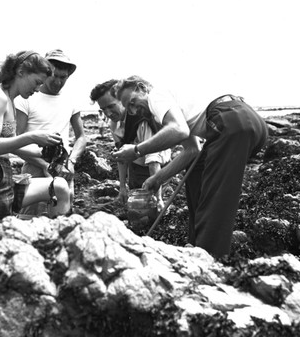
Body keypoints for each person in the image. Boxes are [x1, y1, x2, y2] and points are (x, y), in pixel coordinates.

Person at [111, 76, 268, 258]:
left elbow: (178, 130)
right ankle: (195, 242)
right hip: (247, 121)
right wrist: (158, 178)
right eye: (128, 108)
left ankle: (209, 256)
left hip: (230, 121)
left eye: (132, 102)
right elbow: (192, 150)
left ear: (142, 88)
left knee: (215, 196)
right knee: (196, 172)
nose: (133, 110)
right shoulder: (171, 104)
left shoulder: (156, 96)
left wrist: (136, 150)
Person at [0, 50, 71, 227]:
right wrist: (32, 136)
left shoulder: (9, 100)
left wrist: (45, 152)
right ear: (21, 72)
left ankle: (58, 237)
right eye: (37, 82)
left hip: (1, 179)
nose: (37, 89)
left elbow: (11, 146)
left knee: (60, 187)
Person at [14, 49, 87, 202]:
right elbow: (17, 141)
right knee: (31, 218)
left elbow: (81, 137)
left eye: (63, 77)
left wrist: (72, 161)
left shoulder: (71, 99)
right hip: (34, 165)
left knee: (62, 216)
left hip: (64, 166)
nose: (58, 82)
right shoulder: (27, 96)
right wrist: (44, 165)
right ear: (46, 72)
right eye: (54, 76)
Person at [89, 79, 171, 210]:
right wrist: (122, 186)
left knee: (157, 209)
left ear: (121, 100)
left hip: (158, 170)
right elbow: (121, 156)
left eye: (111, 106)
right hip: (135, 168)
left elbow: (153, 161)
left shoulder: (142, 119)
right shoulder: (114, 124)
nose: (108, 113)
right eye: (103, 109)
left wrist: (158, 197)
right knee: (136, 209)